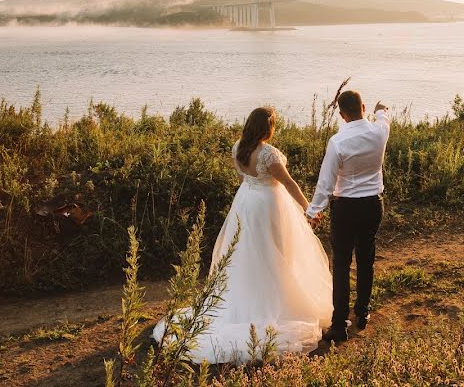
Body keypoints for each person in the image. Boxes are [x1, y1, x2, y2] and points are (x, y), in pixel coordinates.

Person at [152, 107, 332, 363]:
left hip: (246, 202)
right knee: (276, 252)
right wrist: (309, 209)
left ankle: (249, 291)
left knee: (246, 250)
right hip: (268, 205)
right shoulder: (268, 154)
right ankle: (276, 298)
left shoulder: (238, 147)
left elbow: (242, 178)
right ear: (267, 128)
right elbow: (289, 182)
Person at [307, 90, 390, 343]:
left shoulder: (338, 142)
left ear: (342, 115)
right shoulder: (379, 132)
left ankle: (339, 323)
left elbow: (326, 182)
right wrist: (380, 109)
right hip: (373, 205)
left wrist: (313, 211)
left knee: (341, 264)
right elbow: (384, 115)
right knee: (366, 259)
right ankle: (362, 313)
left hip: (345, 208)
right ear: (362, 107)